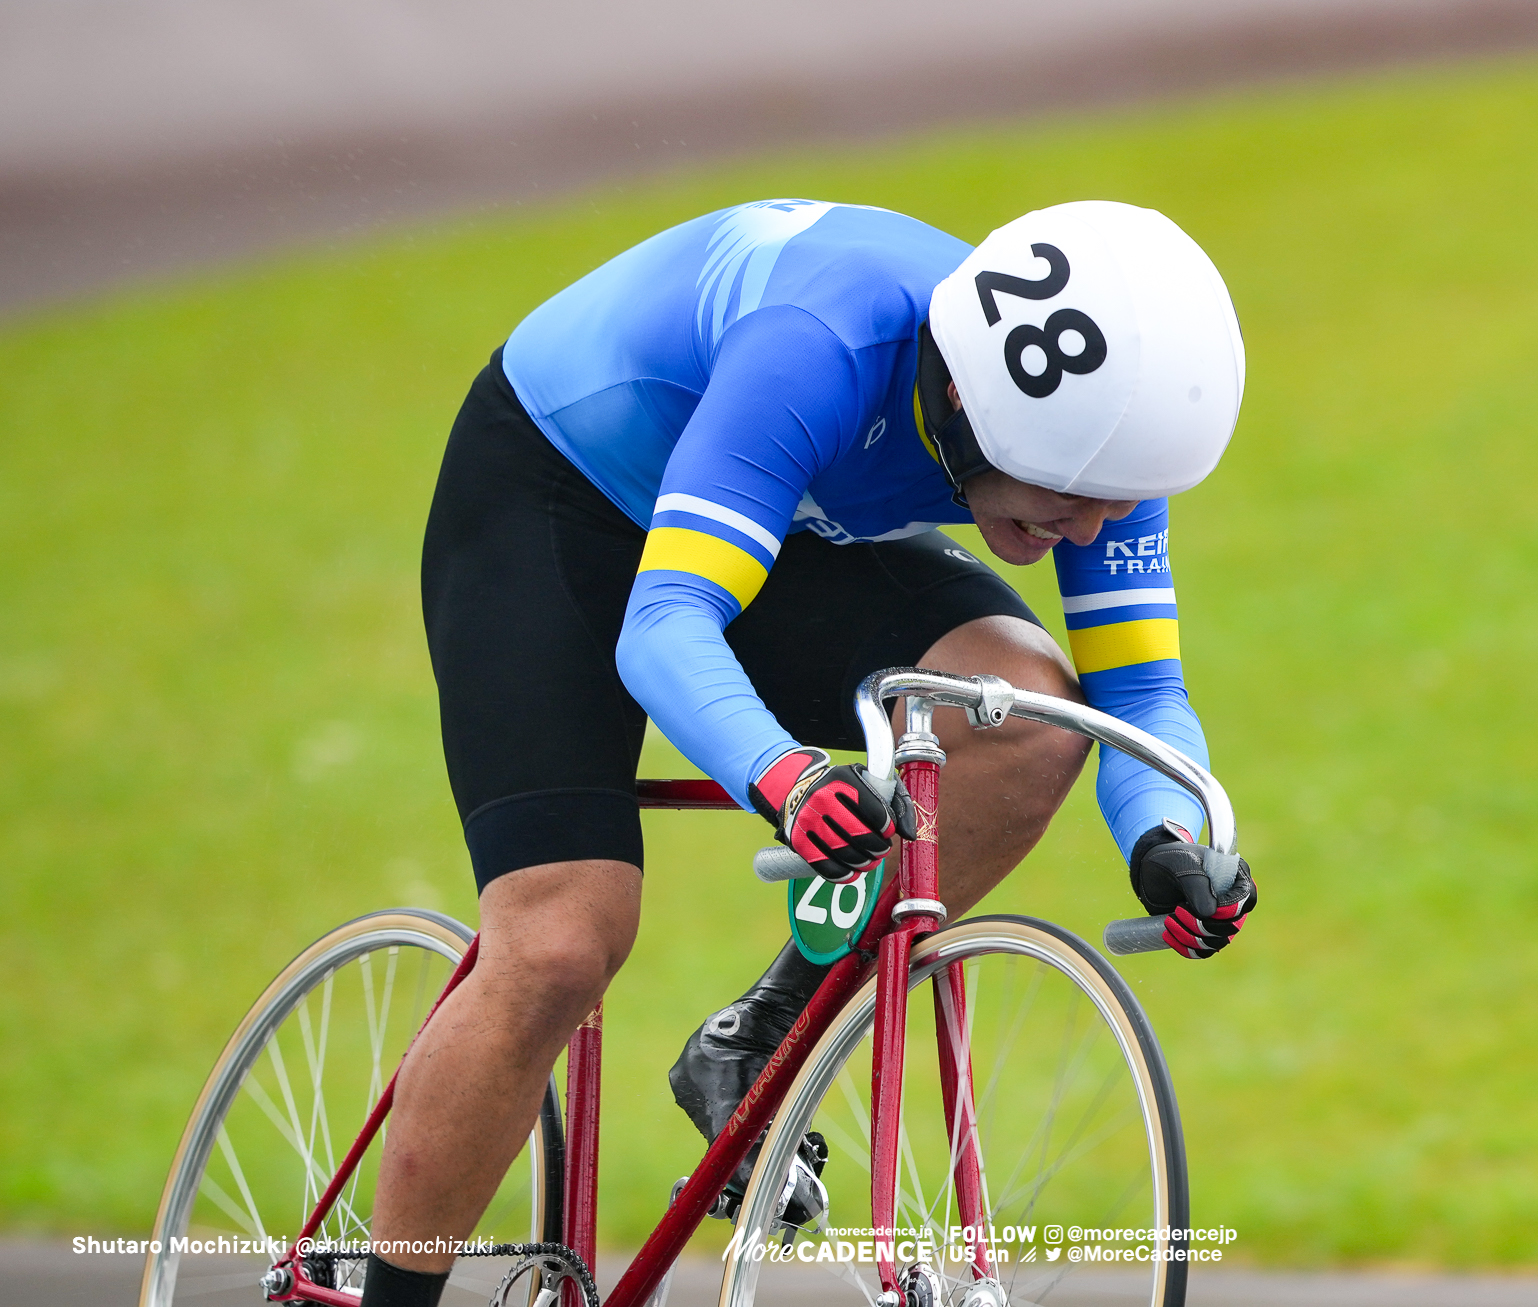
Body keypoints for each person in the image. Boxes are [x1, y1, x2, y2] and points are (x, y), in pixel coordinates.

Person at [365, 198, 1258, 1306]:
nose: (1085, 532)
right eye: (1066, 503)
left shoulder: (1097, 442)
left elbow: (1140, 694)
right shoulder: (822, 345)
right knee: (558, 940)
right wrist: (784, 775)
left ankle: (764, 1029)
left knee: (1020, 714)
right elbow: (667, 621)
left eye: (1112, 505)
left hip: (789, 516)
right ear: (972, 411)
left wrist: (1167, 839)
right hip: (560, 500)